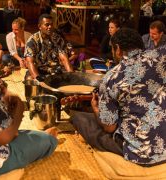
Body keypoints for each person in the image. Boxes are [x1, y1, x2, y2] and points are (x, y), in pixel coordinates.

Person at [71, 28, 166, 167]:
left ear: (118, 49)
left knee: (81, 118)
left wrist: (96, 108)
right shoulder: (161, 57)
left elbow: (109, 127)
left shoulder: (111, 77)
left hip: (141, 153)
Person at [0, 76, 58, 179]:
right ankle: (48, 139)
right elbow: (3, 137)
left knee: (25, 134)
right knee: (47, 139)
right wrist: (19, 107)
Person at [24, 13, 73, 82]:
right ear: (39, 26)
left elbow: (64, 59)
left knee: (69, 77)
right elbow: (30, 62)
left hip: (55, 69)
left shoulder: (58, 38)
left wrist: (71, 76)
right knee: (30, 80)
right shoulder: (32, 41)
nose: (50, 27)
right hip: (39, 70)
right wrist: (38, 79)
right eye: (47, 25)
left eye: (51, 24)